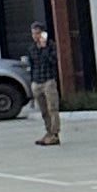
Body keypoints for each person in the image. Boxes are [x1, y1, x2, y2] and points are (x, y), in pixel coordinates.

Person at [26, 16, 62, 146]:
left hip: (48, 80)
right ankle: (48, 132)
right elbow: (31, 65)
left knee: (53, 108)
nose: (35, 36)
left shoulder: (51, 46)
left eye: (38, 33)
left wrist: (44, 47)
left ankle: (55, 134)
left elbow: (53, 61)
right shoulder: (31, 48)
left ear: (43, 33)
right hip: (37, 81)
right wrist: (32, 81)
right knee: (43, 110)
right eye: (33, 33)